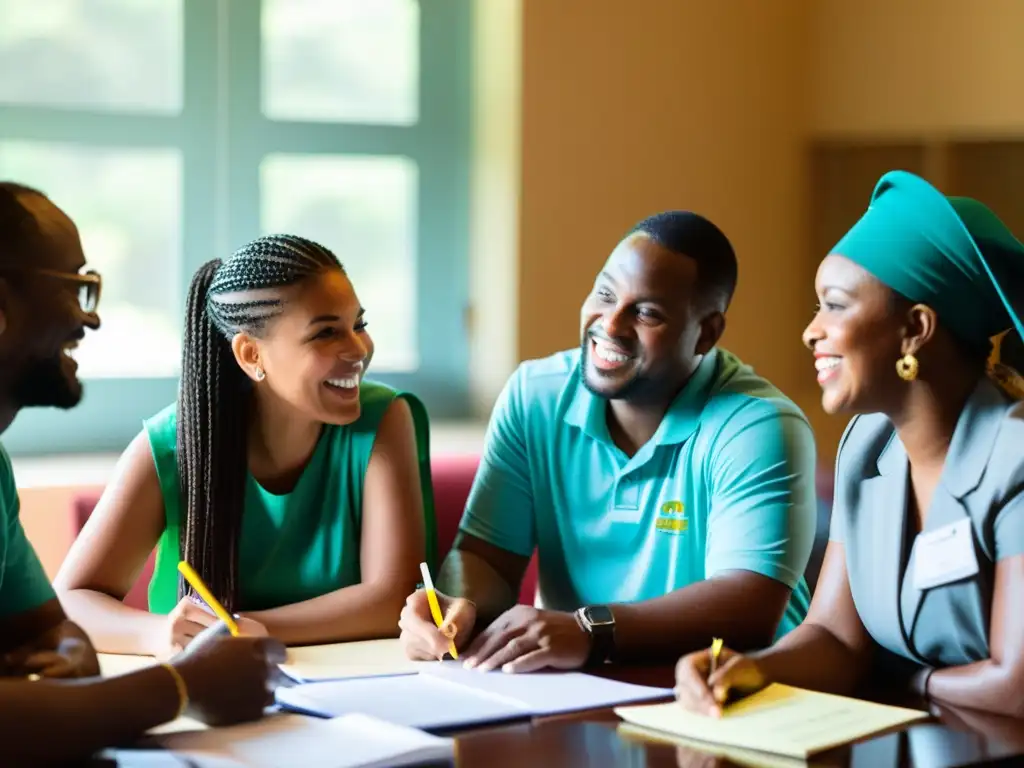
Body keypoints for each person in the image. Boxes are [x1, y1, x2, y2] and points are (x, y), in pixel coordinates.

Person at [399, 211, 818, 672]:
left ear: (706, 332)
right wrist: (459, 608)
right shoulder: (534, 396)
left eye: (647, 312)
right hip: (582, 690)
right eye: (605, 293)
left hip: (738, 696)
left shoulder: (757, 425)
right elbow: (487, 558)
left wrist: (590, 629)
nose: (611, 324)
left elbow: (750, 608)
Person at [674, 170, 1024, 719]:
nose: (811, 331)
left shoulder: (1015, 462)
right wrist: (753, 668)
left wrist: (898, 674)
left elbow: (1015, 686)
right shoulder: (867, 446)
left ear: (916, 329)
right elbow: (836, 637)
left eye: (834, 306)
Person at [0, 181, 284, 764]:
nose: (92, 318)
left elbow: (49, 631)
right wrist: (183, 686)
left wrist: (69, 662)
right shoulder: (169, 442)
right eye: (76, 288)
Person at [55, 233, 435, 656]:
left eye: (358, 324)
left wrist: (241, 628)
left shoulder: (384, 420)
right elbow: (70, 601)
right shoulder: (169, 444)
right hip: (206, 692)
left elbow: (392, 598)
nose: (358, 349)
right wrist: (160, 633)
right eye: (326, 333)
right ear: (251, 355)